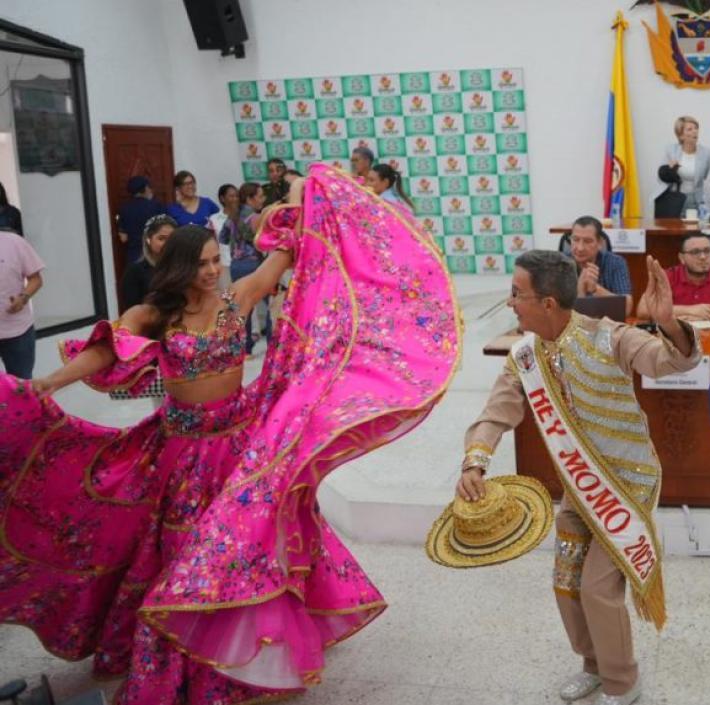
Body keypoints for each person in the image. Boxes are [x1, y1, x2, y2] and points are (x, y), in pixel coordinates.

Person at [0, 165, 460, 704]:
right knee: (186, 552)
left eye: (217, 260)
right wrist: (50, 383)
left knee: (247, 547)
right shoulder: (153, 315)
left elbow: (287, 254)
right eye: (203, 265)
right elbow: (106, 351)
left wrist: (311, 192)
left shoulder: (237, 299)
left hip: (240, 445)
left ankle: (253, 650)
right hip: (180, 455)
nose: (215, 271)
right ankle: (191, 653)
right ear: (178, 269)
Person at [457, 248, 699, 705]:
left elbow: (669, 362)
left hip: (626, 483)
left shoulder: (610, 337)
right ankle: (593, 665)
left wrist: (668, 325)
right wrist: (475, 460)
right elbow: (497, 412)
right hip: (578, 489)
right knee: (567, 583)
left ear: (548, 302)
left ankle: (622, 681)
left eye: (516, 293)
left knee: (597, 589)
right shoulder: (524, 355)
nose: (510, 302)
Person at [636, 233, 710, 323]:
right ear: (682, 258)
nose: (703, 257)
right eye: (695, 252)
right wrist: (690, 310)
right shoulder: (669, 276)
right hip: (676, 335)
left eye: (707, 251)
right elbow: (643, 310)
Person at [219, 182, 270, 355]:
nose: (263, 199)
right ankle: (273, 343)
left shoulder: (231, 215)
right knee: (271, 303)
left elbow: (222, 238)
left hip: (236, 266)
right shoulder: (255, 217)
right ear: (250, 198)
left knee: (242, 306)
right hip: (254, 264)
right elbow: (262, 241)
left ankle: (245, 349)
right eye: (260, 195)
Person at [0, 225, 43, 378]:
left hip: (18, 332)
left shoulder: (14, 242)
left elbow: (36, 279)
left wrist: (23, 298)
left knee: (22, 389)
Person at [569, 216, 633, 315]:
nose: (580, 248)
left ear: (600, 243)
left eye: (587, 241)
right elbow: (554, 311)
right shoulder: (560, 264)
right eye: (575, 239)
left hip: (606, 325)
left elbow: (626, 309)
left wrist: (596, 289)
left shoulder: (616, 263)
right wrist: (580, 291)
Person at [656, 115, 710, 211]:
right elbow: (660, 177)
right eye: (689, 129)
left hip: (697, 200)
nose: (695, 131)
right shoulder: (671, 150)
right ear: (681, 135)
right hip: (674, 199)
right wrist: (670, 170)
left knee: (694, 225)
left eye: (696, 128)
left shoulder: (706, 153)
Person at [120, 214, 175, 310]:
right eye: (161, 238)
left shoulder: (182, 267)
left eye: (172, 238)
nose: (168, 243)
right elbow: (132, 310)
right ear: (148, 240)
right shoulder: (135, 271)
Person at [116, 176, 166, 265]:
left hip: (134, 256)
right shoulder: (157, 206)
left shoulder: (124, 209)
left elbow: (123, 238)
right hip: (154, 253)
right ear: (146, 188)